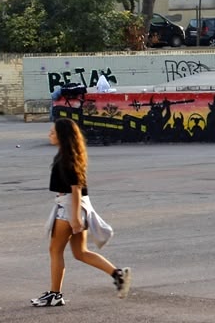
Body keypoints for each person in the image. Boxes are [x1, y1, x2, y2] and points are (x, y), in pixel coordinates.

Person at [32, 119, 131, 307]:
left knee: (55, 250)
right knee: (80, 252)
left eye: (52, 132)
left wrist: (75, 218)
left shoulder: (67, 158)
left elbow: (76, 189)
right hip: (75, 206)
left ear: (62, 135)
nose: (49, 135)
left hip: (69, 208)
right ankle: (118, 274)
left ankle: (55, 294)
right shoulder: (70, 154)